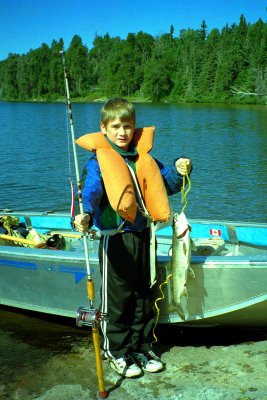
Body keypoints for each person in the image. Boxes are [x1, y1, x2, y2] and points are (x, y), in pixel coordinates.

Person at [74, 98, 192, 378]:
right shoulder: (97, 163)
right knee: (118, 299)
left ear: (134, 127)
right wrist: (84, 216)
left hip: (144, 237)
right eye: (115, 126)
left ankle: (141, 346)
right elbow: (90, 194)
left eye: (127, 126)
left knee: (144, 295)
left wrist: (179, 170)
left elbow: (166, 184)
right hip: (116, 240)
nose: (122, 132)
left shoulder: (144, 156)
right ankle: (116, 350)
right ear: (104, 128)